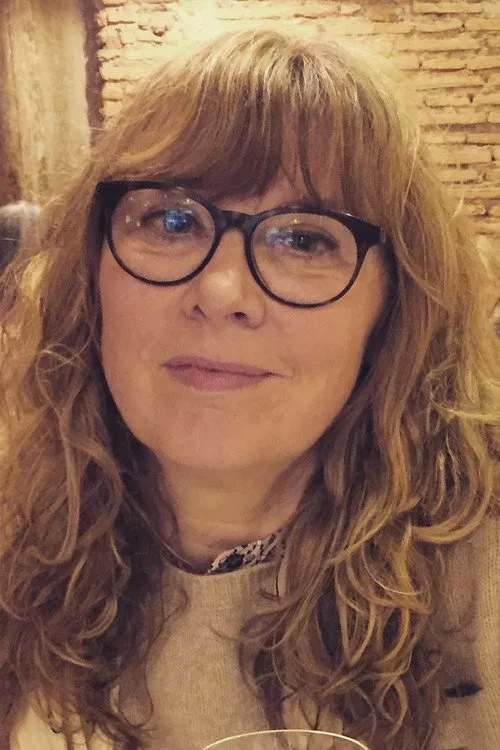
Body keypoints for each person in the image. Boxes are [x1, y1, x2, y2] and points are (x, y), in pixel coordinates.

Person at [0, 28, 498, 750]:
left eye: (305, 239)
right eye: (171, 220)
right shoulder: (19, 537)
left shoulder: (480, 578)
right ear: (91, 272)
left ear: (392, 309)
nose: (222, 291)